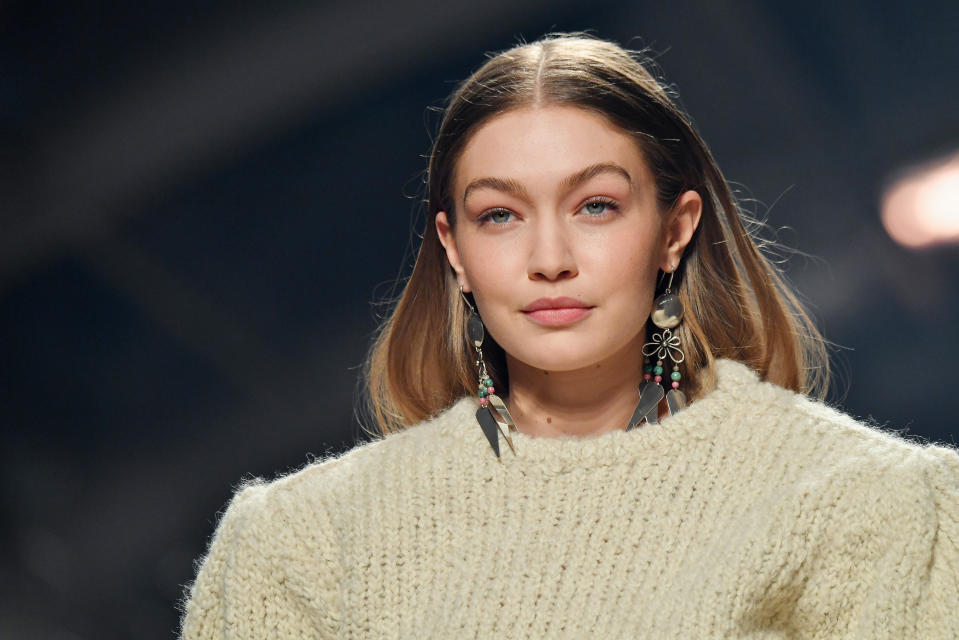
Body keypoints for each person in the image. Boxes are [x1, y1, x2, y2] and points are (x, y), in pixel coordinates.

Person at [179, 33, 959, 638]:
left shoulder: (872, 504)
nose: (548, 261)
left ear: (674, 230)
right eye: (499, 216)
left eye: (595, 206)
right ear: (454, 249)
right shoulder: (303, 545)